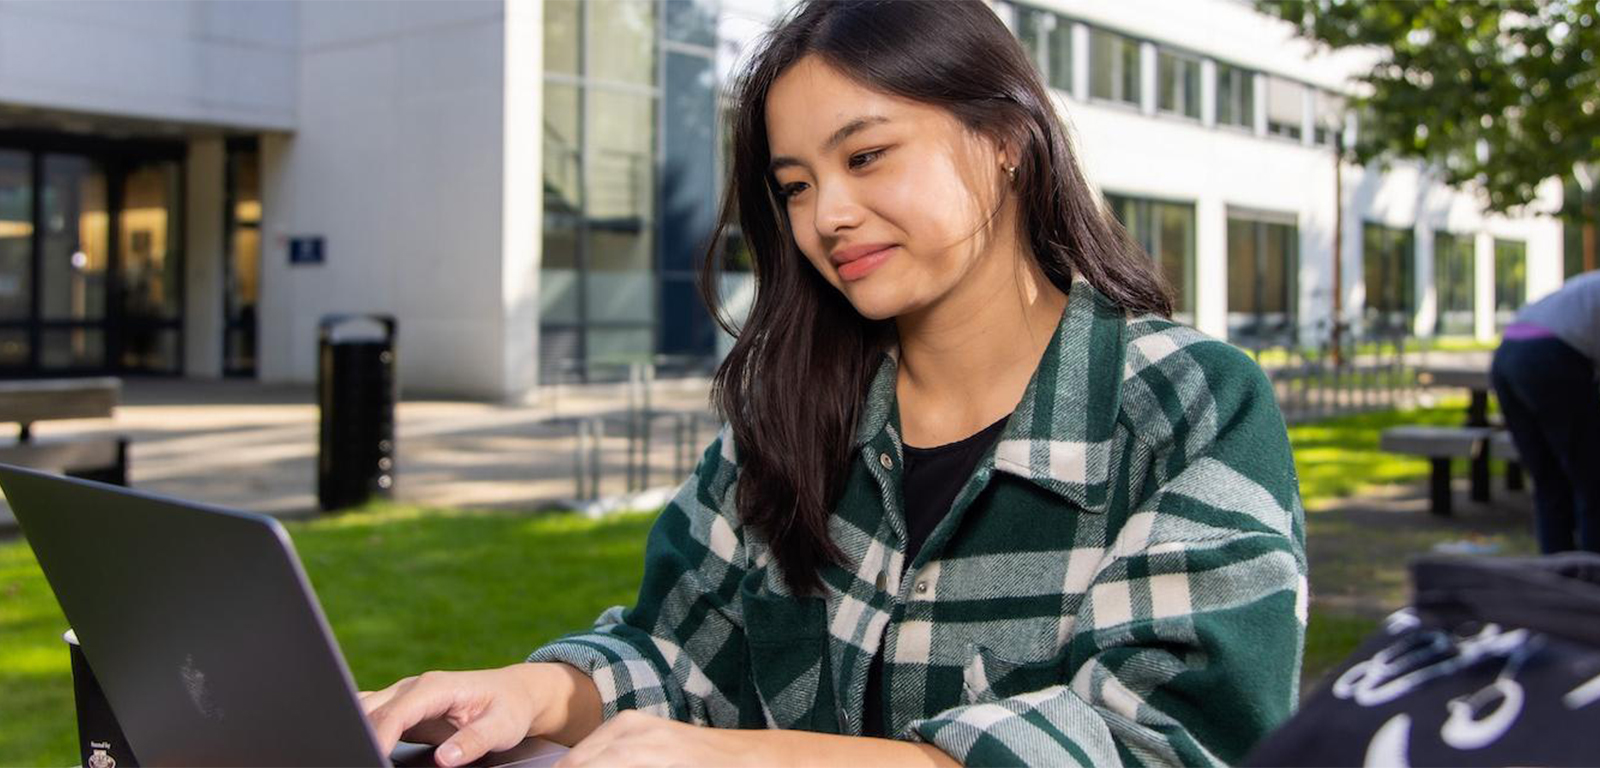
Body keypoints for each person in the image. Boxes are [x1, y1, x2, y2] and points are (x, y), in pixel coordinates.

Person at [360, 2, 1307, 765]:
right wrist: (525, 695)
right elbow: (680, 654)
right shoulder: (784, 416)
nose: (828, 217)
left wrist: (755, 759)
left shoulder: (1187, 405)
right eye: (797, 186)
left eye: (864, 156)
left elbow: (1165, 742)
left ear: (1007, 139)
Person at [1491, 269, 1600, 554]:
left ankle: (1555, 568)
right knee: (1591, 479)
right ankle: (1592, 568)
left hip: (1506, 356)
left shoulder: (1587, 285)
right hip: (1549, 357)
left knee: (1548, 479)